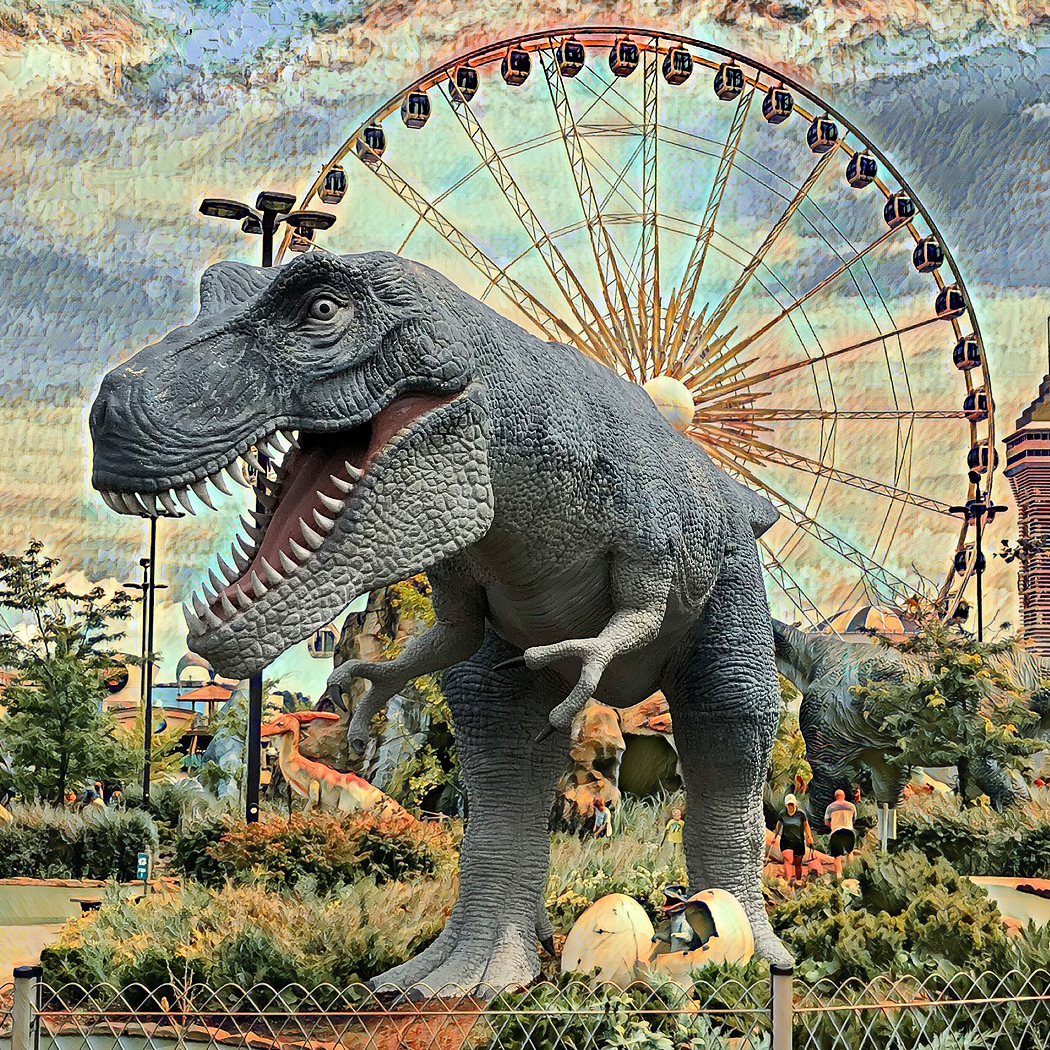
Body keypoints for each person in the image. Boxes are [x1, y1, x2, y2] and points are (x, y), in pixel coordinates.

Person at [771, 793, 814, 883]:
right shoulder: (782, 814)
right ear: (786, 805)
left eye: (792, 804)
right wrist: (775, 836)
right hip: (786, 841)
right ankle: (788, 881)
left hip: (798, 841)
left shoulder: (801, 814)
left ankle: (798, 881)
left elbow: (806, 826)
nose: (790, 806)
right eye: (788, 804)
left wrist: (809, 836)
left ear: (795, 804)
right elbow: (778, 826)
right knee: (788, 860)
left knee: (798, 864)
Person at [823, 788, 858, 877]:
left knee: (837, 856)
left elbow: (826, 822)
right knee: (850, 852)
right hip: (849, 831)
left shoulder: (830, 807)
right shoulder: (852, 806)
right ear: (844, 796)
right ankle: (850, 872)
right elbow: (854, 820)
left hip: (836, 832)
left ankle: (839, 876)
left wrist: (833, 825)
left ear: (835, 797)